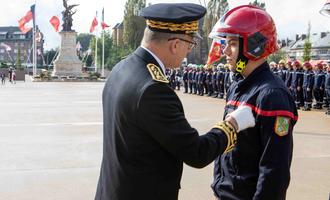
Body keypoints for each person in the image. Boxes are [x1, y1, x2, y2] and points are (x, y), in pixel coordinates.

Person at [94, 3, 256, 200]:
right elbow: (197, 152)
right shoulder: (152, 89)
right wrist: (232, 125)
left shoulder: (121, 69)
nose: (189, 50)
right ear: (175, 44)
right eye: (190, 44)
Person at [208, 5, 298, 200]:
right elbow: (228, 145)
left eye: (232, 43)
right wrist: (219, 181)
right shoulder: (238, 85)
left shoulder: (272, 96)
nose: (225, 51)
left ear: (254, 45)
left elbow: (274, 170)